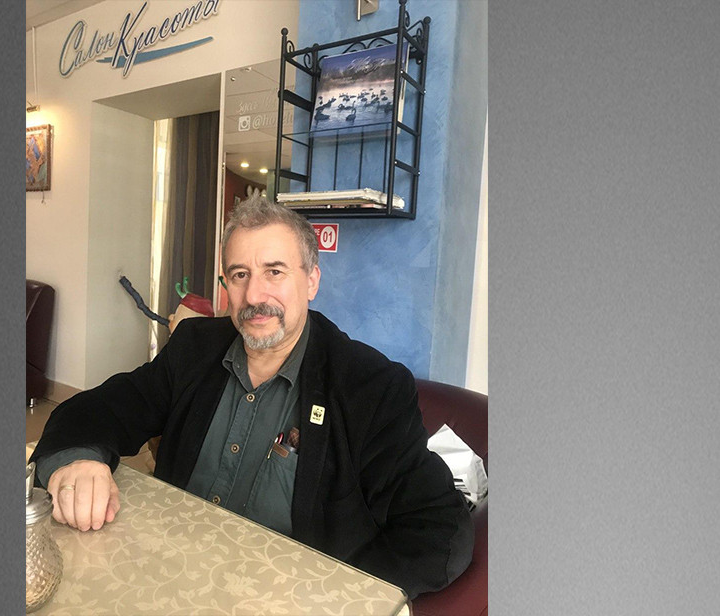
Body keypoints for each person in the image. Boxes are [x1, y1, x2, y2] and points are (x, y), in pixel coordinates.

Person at [29, 195, 473, 598]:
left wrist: (338, 594)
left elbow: (440, 527)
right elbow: (102, 408)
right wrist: (79, 459)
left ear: (312, 281)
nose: (254, 295)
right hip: (169, 575)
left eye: (274, 272)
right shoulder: (195, 347)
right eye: (240, 275)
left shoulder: (370, 386)